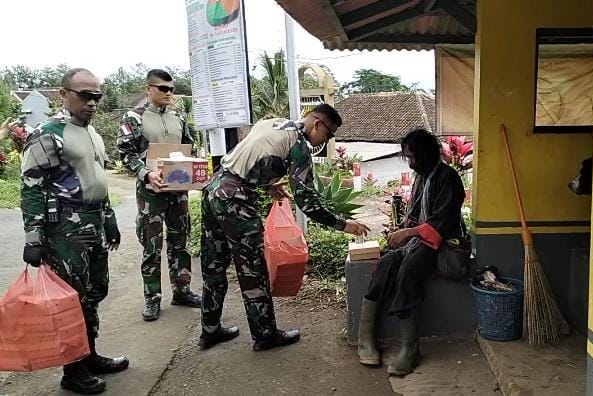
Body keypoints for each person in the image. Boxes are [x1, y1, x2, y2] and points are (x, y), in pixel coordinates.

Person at [199, 103, 370, 351]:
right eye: (328, 134)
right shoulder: (299, 145)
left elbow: (248, 159)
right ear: (317, 124)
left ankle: (209, 330)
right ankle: (265, 335)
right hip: (233, 200)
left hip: (214, 189)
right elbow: (307, 202)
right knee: (253, 270)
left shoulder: (274, 123)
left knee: (214, 265)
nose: (326, 140)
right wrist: (344, 225)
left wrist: (267, 184)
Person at [21, 68, 127, 394]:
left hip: (92, 220)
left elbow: (98, 180)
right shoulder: (48, 133)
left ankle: (89, 354)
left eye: (97, 95)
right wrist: (34, 237)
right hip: (64, 228)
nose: (92, 102)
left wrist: (109, 220)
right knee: (71, 299)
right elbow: (31, 186)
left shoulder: (92, 133)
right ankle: (72, 370)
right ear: (63, 94)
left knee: (96, 291)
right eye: (85, 95)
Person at [356, 128, 465, 376]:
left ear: (425, 154)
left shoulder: (448, 178)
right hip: (419, 240)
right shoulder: (422, 179)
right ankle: (366, 340)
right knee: (384, 266)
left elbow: (442, 224)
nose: (411, 162)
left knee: (407, 271)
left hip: (442, 243)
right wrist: (400, 233)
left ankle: (410, 347)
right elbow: (415, 216)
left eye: (413, 157)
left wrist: (408, 234)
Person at [117, 69, 200, 322]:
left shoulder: (178, 117)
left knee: (180, 241)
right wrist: (144, 173)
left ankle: (182, 290)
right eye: (162, 88)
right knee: (152, 246)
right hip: (150, 191)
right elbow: (125, 153)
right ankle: (152, 298)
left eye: (171, 89)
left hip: (177, 191)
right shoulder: (134, 118)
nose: (168, 93)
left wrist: (192, 168)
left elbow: (189, 145)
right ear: (148, 89)